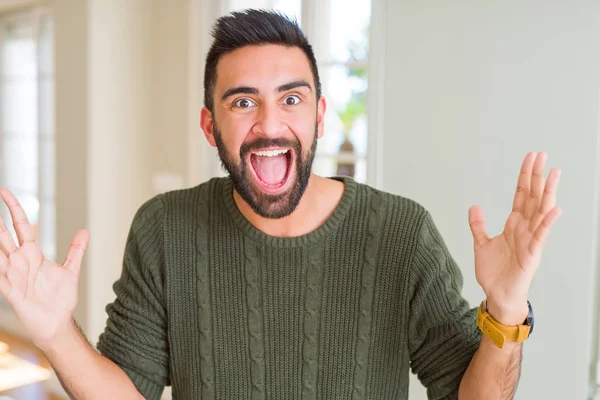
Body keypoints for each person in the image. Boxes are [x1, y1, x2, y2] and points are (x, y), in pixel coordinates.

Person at [0, 9, 561, 400]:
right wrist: (53, 332)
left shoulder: (399, 232)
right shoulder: (164, 229)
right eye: (243, 101)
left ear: (318, 116)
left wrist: (508, 307)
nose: (270, 124)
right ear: (208, 125)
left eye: (291, 98)